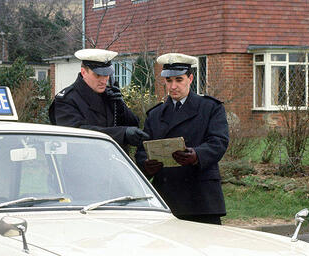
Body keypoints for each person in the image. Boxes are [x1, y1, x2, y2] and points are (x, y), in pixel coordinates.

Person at [135, 53, 229, 225]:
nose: (173, 86)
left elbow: (219, 142)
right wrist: (147, 166)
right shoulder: (155, 115)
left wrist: (197, 155)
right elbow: (142, 151)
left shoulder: (210, 108)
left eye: (179, 80)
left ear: (190, 78)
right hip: (166, 197)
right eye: (169, 81)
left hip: (200, 198)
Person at [49, 48, 149, 148]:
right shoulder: (66, 100)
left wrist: (120, 106)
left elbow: (134, 125)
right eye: (98, 75)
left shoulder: (109, 95)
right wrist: (121, 134)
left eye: (107, 75)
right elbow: (78, 133)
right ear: (84, 72)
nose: (104, 80)